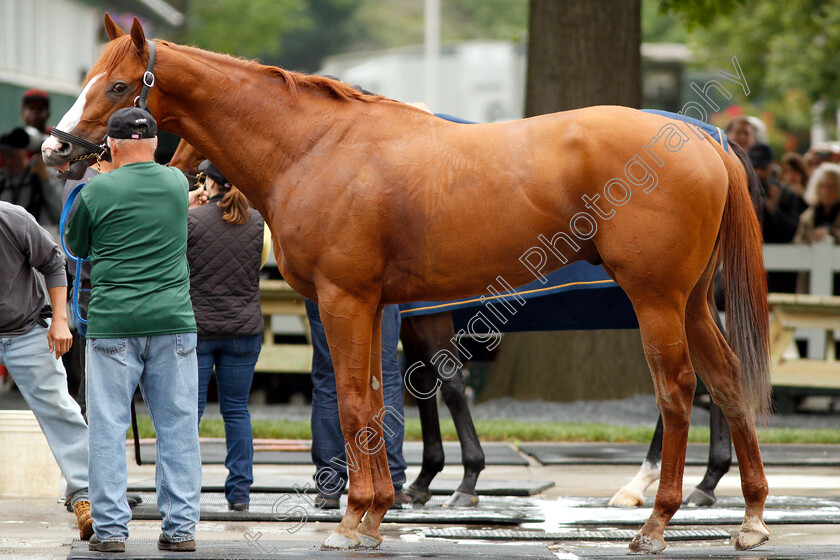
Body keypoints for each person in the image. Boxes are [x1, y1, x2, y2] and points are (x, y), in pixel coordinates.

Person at [64, 108, 201, 553]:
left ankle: (111, 532)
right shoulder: (178, 184)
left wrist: (101, 177)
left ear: (115, 144)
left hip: (114, 323)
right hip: (173, 321)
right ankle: (180, 530)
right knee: (178, 426)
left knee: (107, 427)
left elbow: (77, 246)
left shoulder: (96, 189)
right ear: (155, 142)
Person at [0, 200, 92, 540]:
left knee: (59, 408)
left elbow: (55, 263)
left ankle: (86, 495)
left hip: (26, 328)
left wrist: (60, 321)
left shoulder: (12, 219)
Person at [188, 159, 268, 512]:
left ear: (211, 184)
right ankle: (239, 491)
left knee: (190, 413)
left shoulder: (189, 221)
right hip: (244, 330)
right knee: (237, 411)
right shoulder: (259, 224)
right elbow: (261, 264)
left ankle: (185, 487)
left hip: (200, 330)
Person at [306, 300, 411, 509]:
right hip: (378, 287)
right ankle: (391, 480)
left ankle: (329, 486)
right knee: (383, 374)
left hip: (327, 288)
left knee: (329, 376)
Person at [796, 163, 840, 246]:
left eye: (831, 187)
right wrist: (810, 238)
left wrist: (831, 233)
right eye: (822, 186)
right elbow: (798, 242)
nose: (825, 191)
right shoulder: (807, 216)